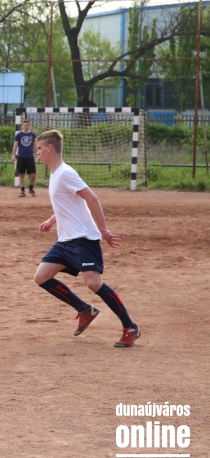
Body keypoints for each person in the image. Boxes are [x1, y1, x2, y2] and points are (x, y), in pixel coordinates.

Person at [32, 130, 140, 347]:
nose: (38, 153)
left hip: (82, 238)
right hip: (65, 240)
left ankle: (130, 327)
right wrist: (52, 221)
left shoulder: (65, 173)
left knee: (93, 283)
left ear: (49, 148)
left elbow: (92, 198)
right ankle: (84, 309)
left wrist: (103, 230)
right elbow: (68, 204)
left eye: (39, 149)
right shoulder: (55, 175)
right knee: (41, 277)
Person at [12, 119, 37, 197]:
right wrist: (13, 155)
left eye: (27, 125)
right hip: (21, 157)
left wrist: (38, 155)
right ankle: (22, 191)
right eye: (25, 125)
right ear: (22, 126)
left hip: (30, 157)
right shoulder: (19, 135)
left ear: (29, 126)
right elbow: (15, 145)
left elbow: (35, 146)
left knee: (33, 175)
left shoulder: (33, 135)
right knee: (21, 174)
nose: (26, 126)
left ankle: (31, 188)